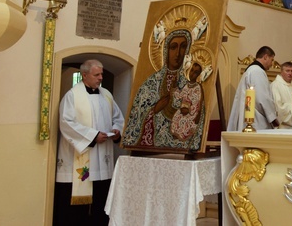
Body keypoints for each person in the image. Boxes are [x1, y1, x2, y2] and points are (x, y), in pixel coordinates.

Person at [55, 59, 124, 226]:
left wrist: (116, 131)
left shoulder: (106, 94)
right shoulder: (73, 96)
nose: (101, 77)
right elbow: (66, 122)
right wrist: (93, 136)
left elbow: (118, 118)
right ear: (84, 75)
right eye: (96, 74)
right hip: (82, 160)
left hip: (103, 161)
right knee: (77, 212)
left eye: (101, 74)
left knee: (101, 203)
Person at [122, 30, 194, 150]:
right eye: (173, 47)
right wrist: (154, 110)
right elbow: (136, 119)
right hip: (151, 150)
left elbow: (195, 118)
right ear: (165, 50)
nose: (178, 53)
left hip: (181, 148)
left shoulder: (190, 86)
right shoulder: (150, 84)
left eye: (183, 47)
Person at [227, 46, 280, 131]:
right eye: (272, 59)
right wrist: (273, 119)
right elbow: (262, 98)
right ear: (265, 57)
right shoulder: (257, 71)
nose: (272, 63)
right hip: (256, 121)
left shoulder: (252, 70)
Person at [170, 61, 205, 142]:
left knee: (185, 122)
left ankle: (181, 140)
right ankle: (175, 141)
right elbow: (179, 96)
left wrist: (188, 110)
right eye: (192, 70)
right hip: (182, 111)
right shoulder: (186, 86)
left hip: (191, 114)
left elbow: (196, 104)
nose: (192, 73)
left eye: (195, 72)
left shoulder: (197, 88)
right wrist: (175, 85)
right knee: (176, 118)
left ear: (198, 75)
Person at [270, 61, 292, 129]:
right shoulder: (275, 85)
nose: (290, 73)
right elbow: (277, 107)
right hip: (284, 126)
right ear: (281, 72)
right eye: (287, 71)